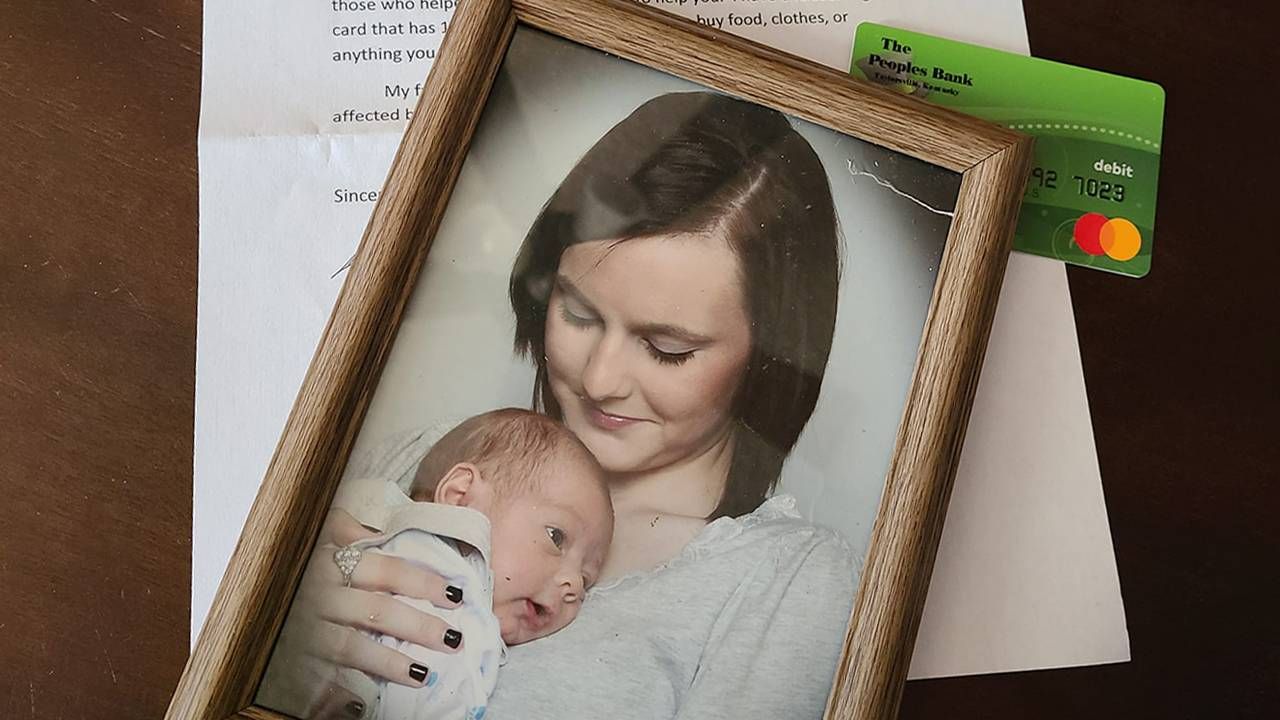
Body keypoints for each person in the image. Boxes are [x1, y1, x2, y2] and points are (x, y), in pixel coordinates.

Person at [295, 90, 856, 720]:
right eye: (579, 313)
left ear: (768, 363)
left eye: (667, 348)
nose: (599, 378)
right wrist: (283, 633)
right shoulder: (409, 454)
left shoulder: (787, 582)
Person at [257, 409, 613, 720]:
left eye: (586, 578)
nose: (574, 587)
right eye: (556, 537)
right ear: (460, 497)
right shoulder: (434, 560)